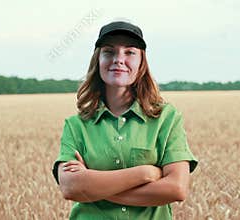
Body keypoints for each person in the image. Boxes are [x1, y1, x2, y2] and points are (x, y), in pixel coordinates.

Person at [52, 20, 198, 220]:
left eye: (129, 52)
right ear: (98, 60)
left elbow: (176, 189)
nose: (118, 59)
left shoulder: (166, 118)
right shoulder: (76, 125)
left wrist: (94, 188)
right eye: (109, 52)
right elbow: (70, 187)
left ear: (141, 63)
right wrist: (145, 173)